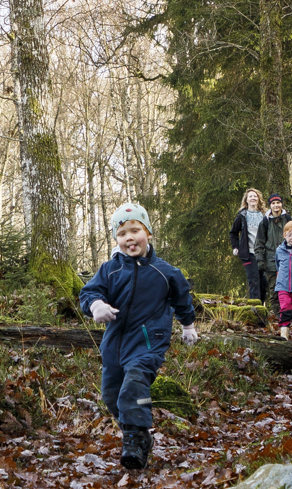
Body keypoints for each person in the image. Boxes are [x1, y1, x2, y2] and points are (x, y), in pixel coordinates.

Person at [78, 202, 200, 471]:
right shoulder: (110, 270)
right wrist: (96, 305)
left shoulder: (165, 272)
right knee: (111, 395)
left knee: (134, 384)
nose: (129, 237)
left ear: (148, 233)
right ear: (116, 240)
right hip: (114, 344)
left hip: (148, 342)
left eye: (135, 230)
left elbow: (182, 299)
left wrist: (188, 325)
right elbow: (88, 293)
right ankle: (140, 434)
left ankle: (133, 442)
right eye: (122, 234)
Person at [228, 187, 272, 302]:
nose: (253, 198)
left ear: (259, 199)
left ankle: (261, 308)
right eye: (250, 196)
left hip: (263, 254)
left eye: (255, 196)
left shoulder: (265, 215)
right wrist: (236, 247)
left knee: (263, 283)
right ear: (246, 200)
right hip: (248, 254)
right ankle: (255, 311)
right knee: (254, 280)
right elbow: (233, 232)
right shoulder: (242, 215)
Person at [254, 194, 292, 305]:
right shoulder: (265, 222)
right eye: (273, 203)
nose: (276, 205)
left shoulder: (288, 220)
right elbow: (259, 243)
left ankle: (288, 313)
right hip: (271, 261)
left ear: (281, 204)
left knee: (289, 289)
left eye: (278, 203)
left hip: (288, 259)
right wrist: (260, 260)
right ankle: (278, 317)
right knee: (274, 290)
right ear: (270, 205)